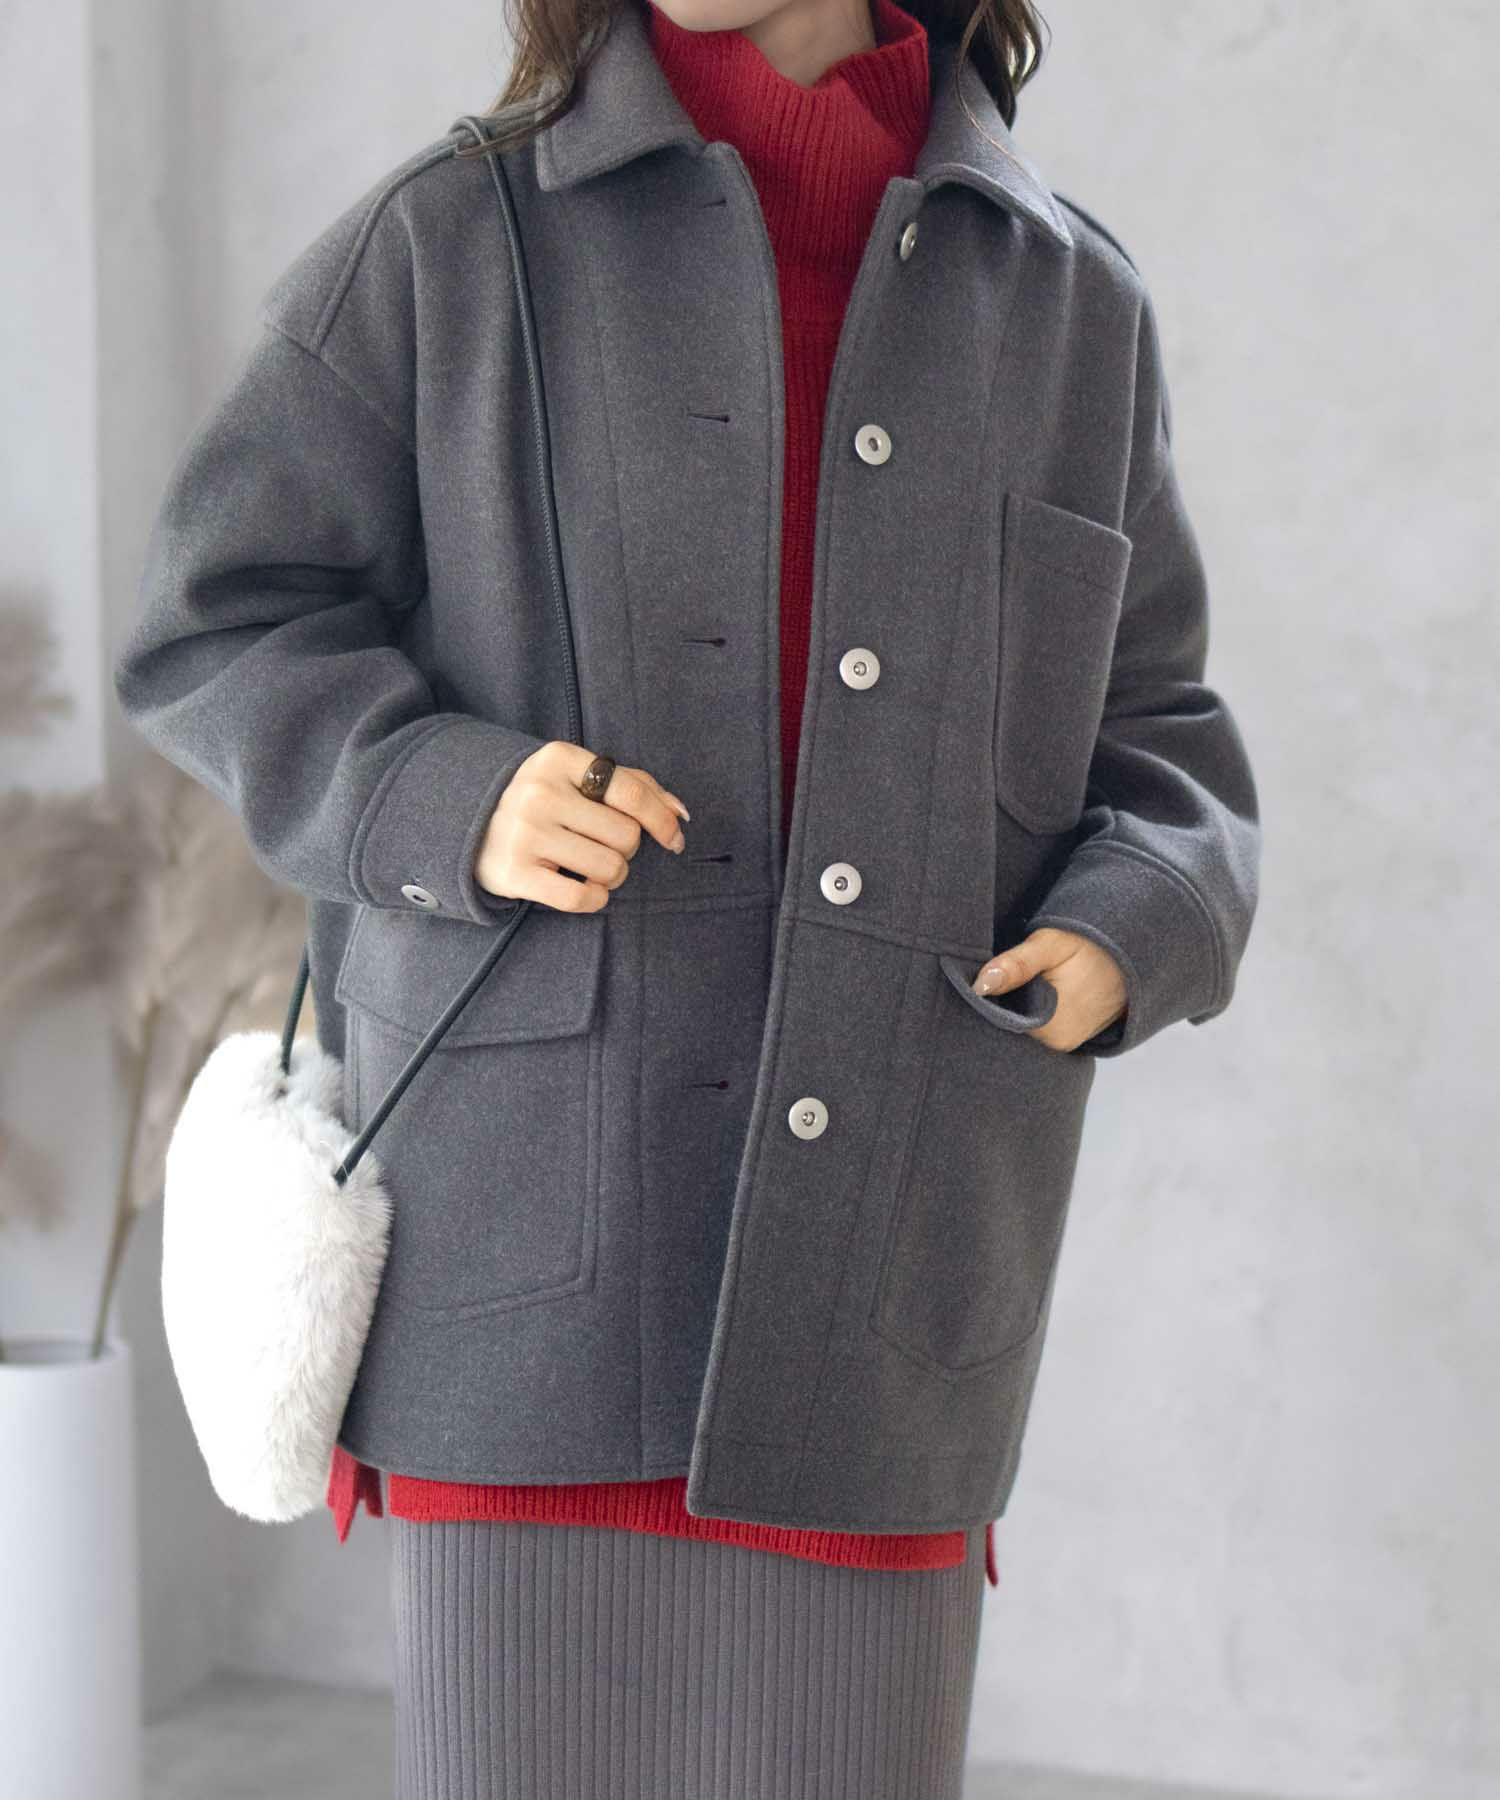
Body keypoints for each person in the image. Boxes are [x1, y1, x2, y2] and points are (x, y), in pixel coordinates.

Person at [113, 0, 1261, 1793]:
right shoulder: (452, 240)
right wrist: (447, 794)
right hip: (527, 1280)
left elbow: (1163, 728)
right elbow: (215, 620)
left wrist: (1134, 922)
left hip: (886, 1286)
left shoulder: (1067, 306)